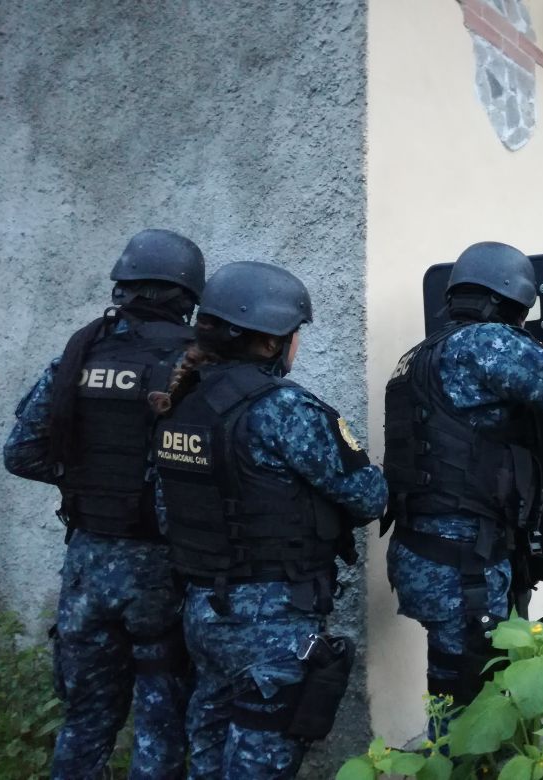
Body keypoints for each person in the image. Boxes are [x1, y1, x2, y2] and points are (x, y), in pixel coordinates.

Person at [149, 261, 387, 779]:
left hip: (203, 610)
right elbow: (368, 496)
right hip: (270, 620)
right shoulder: (285, 409)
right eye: (295, 333)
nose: (297, 343)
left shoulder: (181, 404)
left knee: (209, 755)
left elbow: (167, 511)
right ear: (268, 344)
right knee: (260, 762)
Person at [3, 228, 205, 779]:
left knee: (86, 720)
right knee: (160, 724)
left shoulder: (81, 349)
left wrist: (86, 483)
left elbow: (21, 453)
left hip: (86, 565)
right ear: (188, 293)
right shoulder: (195, 361)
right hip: (160, 572)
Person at [383, 241, 543, 712]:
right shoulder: (489, 343)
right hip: (467, 567)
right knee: (475, 702)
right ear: (511, 302)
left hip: (423, 555)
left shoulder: (418, 357)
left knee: (452, 683)